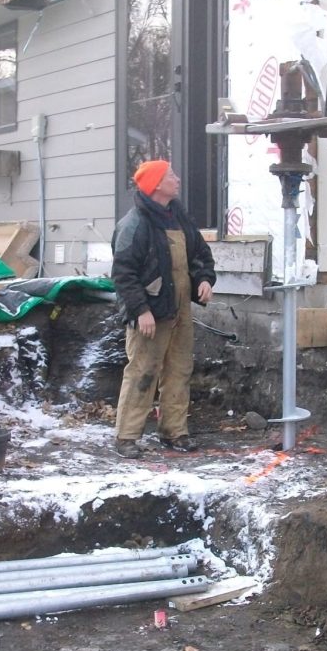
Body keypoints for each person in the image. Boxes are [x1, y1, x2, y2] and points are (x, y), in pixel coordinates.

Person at [111, 160, 216, 459]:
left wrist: (205, 279)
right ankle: (127, 437)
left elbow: (200, 255)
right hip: (150, 314)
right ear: (156, 184)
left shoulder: (178, 218)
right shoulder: (134, 224)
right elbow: (123, 274)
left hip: (180, 310)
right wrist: (140, 310)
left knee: (180, 370)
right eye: (171, 175)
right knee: (143, 371)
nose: (178, 179)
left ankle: (174, 431)